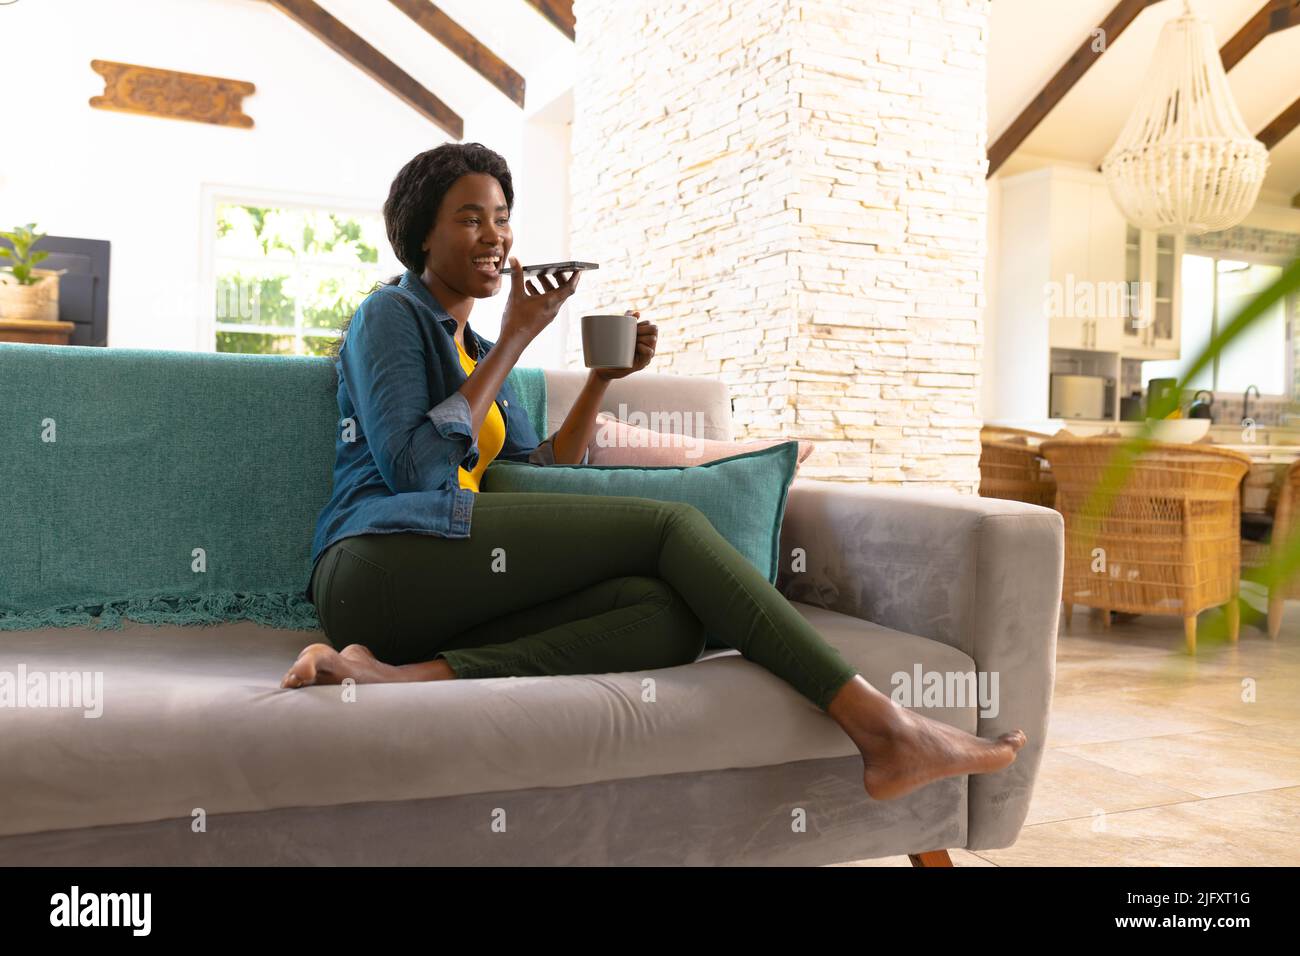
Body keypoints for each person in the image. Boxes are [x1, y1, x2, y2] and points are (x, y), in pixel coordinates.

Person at [281, 142, 1025, 801]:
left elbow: (533, 471)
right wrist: (514, 340)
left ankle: (392, 677)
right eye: (470, 218)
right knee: (670, 525)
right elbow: (414, 471)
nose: (496, 236)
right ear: (421, 233)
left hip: (451, 575)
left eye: (503, 217)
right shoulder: (392, 316)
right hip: (378, 562)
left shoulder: (478, 348)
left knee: (666, 616)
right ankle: (881, 726)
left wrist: (602, 378)